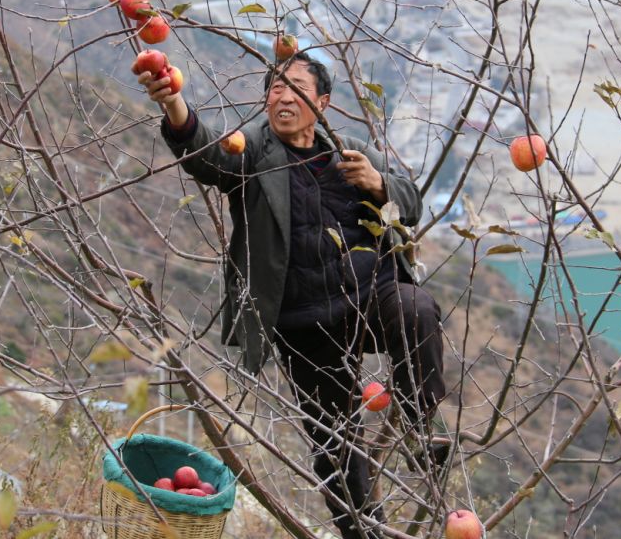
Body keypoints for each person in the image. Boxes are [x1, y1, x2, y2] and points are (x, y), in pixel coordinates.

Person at [138, 52, 446, 539]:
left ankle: (420, 427)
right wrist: (174, 102)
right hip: (305, 322)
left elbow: (410, 201)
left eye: (296, 87)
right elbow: (203, 151)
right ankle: (367, 535)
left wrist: (380, 184)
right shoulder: (254, 151)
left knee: (417, 308)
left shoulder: (350, 152)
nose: (282, 95)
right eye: (275, 87)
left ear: (322, 102)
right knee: (336, 450)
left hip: (370, 298)